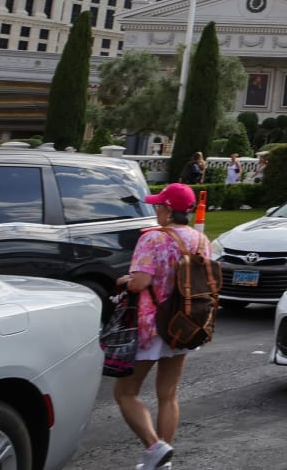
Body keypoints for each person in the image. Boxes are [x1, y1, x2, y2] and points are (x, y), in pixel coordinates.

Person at [114, 182, 212, 469]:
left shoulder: (153, 239)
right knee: (168, 394)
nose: (156, 210)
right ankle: (162, 461)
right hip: (184, 324)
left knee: (125, 393)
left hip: (150, 324)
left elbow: (141, 282)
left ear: (169, 211)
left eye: (159, 206)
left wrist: (125, 280)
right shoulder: (201, 241)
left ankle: (154, 447)